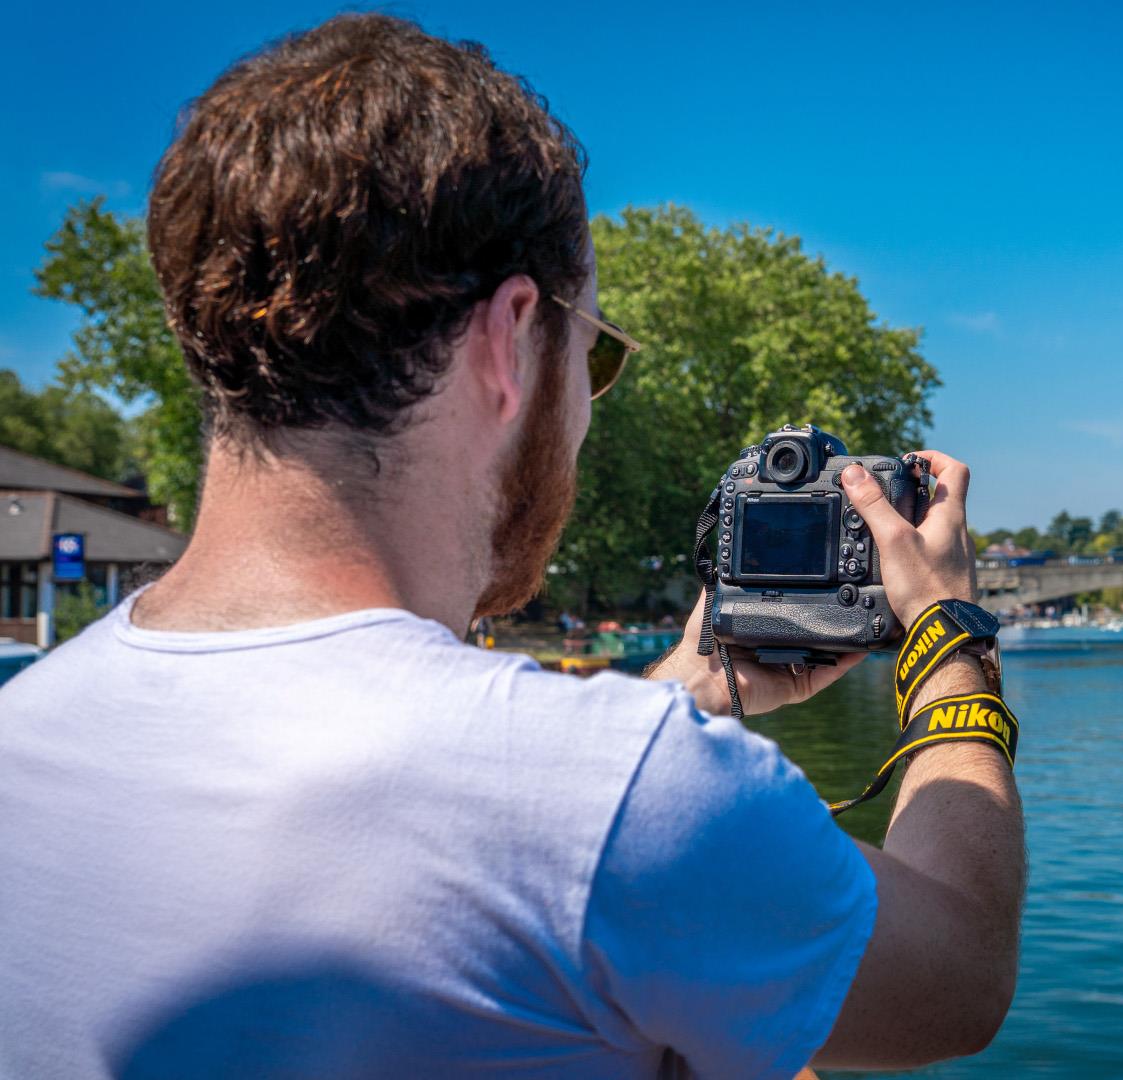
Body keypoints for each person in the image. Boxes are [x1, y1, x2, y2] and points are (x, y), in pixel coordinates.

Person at [0, 14, 1023, 1079]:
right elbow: (958, 980)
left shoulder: (20, 731)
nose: (587, 410)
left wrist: (692, 684)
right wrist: (950, 635)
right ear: (508, 341)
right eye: (595, 359)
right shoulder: (633, 800)